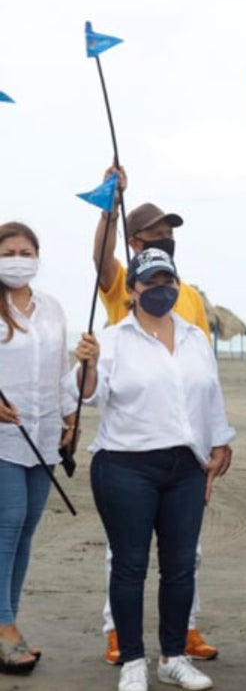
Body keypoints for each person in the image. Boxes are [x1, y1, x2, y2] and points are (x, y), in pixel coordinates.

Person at [72, 248, 235, 691]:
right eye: (151, 282)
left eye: (168, 281)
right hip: (125, 464)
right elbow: (87, 395)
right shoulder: (111, 338)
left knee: (181, 566)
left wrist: (221, 440)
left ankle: (173, 656)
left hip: (186, 464)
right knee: (130, 565)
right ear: (132, 289)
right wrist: (85, 363)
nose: (161, 290)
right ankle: (131, 661)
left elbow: (209, 393)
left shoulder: (194, 337)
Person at [89, 167, 219, 665]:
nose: (166, 237)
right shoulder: (124, 281)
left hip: (188, 438)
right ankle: (118, 632)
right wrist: (109, 203)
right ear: (134, 239)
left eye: (170, 231)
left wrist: (213, 437)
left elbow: (201, 363)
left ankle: (183, 631)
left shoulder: (186, 292)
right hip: (131, 437)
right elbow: (99, 260)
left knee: (186, 553)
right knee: (126, 554)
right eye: (156, 231)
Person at [0, 222, 74, 675]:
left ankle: (8, 618)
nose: (18, 257)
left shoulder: (52, 308)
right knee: (7, 524)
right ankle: (4, 627)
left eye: (27, 250)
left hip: (44, 435)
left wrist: (70, 416)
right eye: (9, 250)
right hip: (3, 438)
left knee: (26, 528)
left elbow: (60, 369)